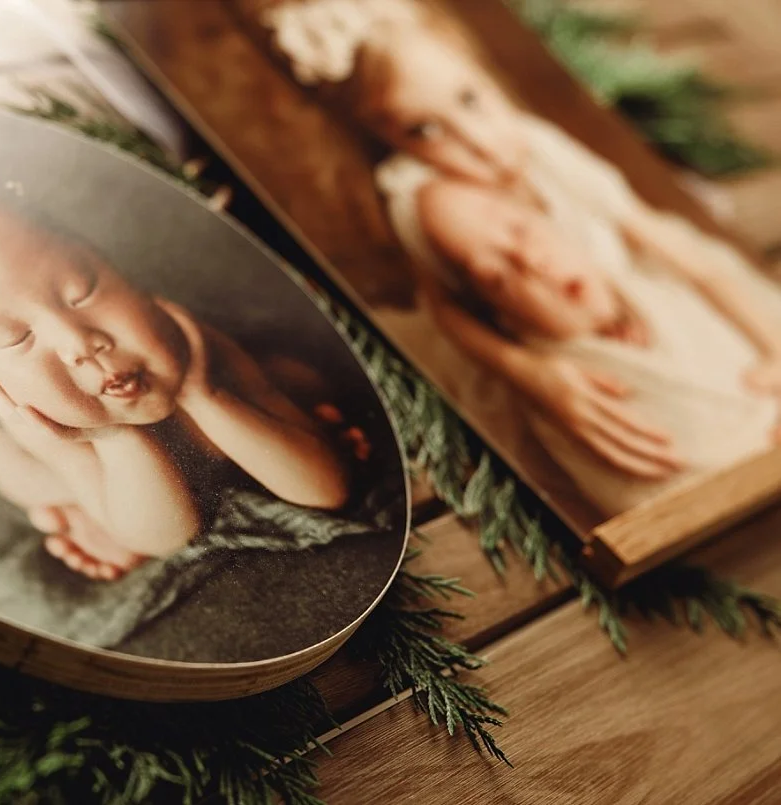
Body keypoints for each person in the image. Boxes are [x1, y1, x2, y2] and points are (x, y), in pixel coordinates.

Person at [331, 17, 781, 482]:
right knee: (649, 428)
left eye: (469, 99)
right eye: (424, 130)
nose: (477, 142)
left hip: (635, 288)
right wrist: (533, 374)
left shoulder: (542, 149)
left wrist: (770, 343)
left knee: (734, 367)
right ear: (386, 136)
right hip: (549, 334)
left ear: (484, 70)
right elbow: (444, 309)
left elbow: (680, 254)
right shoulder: (430, 201)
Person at [0, 189, 351, 580]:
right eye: (16, 339)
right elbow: (169, 537)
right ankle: (86, 508)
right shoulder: (42, 423)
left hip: (206, 392)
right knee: (1, 459)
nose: (80, 342)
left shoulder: (202, 349)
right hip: (46, 457)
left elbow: (327, 490)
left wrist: (206, 394)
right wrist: (113, 436)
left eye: (83, 291)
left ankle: (108, 509)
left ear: (116, 266)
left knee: (294, 375)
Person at [418, 178, 781, 513]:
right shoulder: (570, 392)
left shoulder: (657, 285)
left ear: (550, 219)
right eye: (495, 277)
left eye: (520, 230)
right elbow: (659, 503)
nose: (531, 261)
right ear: (505, 320)